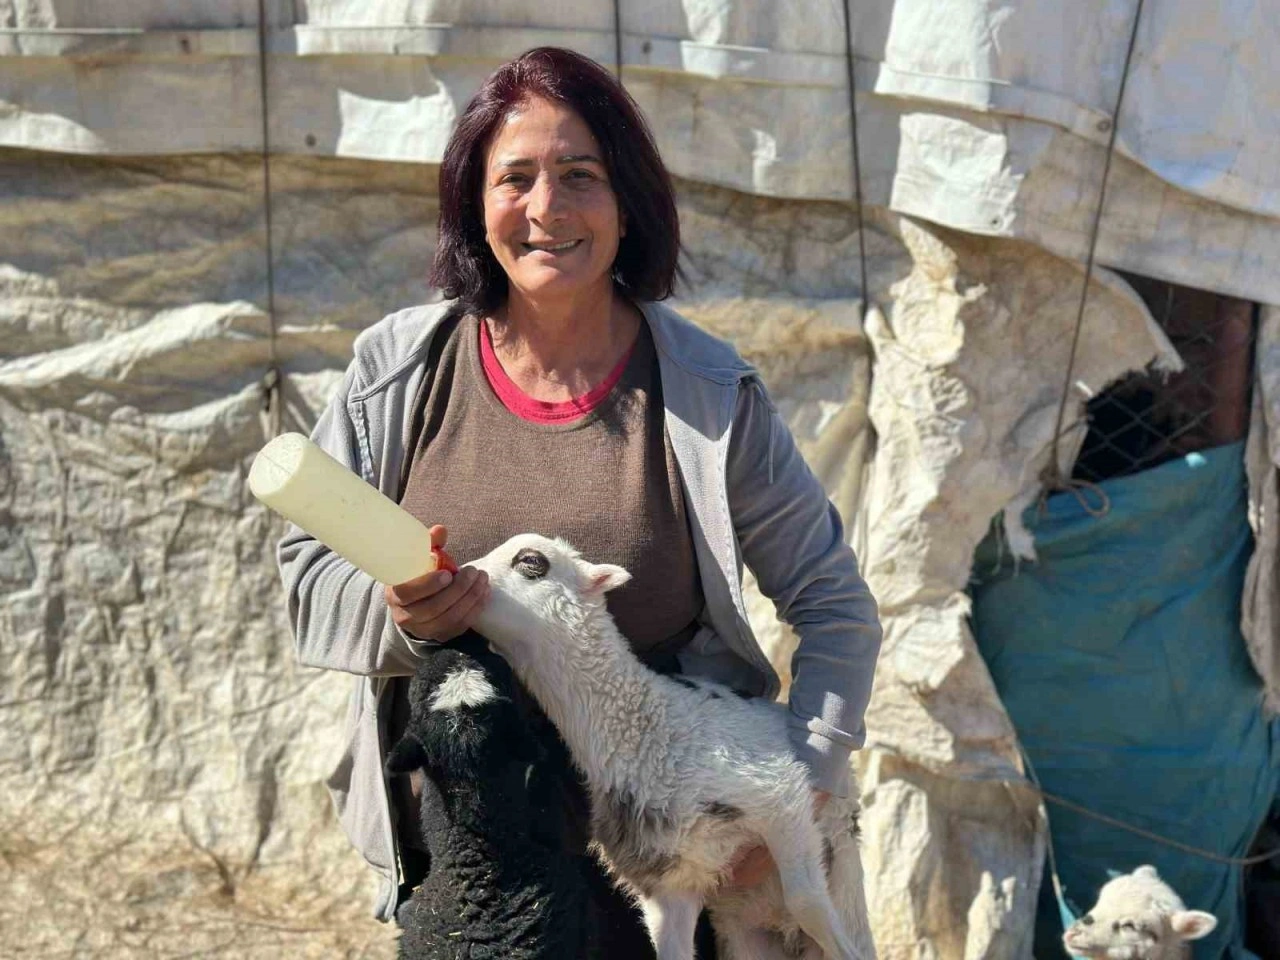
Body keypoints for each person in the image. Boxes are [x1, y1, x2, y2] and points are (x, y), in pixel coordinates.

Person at [278, 46, 882, 954]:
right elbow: (307, 570)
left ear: (627, 202)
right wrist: (402, 616)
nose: (547, 209)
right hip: (472, 846)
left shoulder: (708, 396)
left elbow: (835, 606)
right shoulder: (398, 372)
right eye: (514, 178)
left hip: (675, 850)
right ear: (473, 204)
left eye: (580, 176)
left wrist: (803, 788)